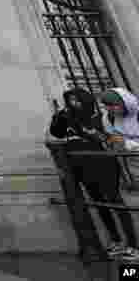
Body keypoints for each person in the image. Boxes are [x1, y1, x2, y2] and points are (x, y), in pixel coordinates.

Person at [51, 87, 139, 259]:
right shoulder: (69, 118)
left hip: (104, 166)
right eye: (70, 101)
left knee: (115, 203)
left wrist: (88, 133)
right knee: (99, 205)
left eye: (76, 100)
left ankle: (133, 245)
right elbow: (57, 134)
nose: (73, 104)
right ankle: (116, 241)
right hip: (83, 168)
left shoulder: (98, 118)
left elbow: (108, 140)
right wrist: (58, 119)